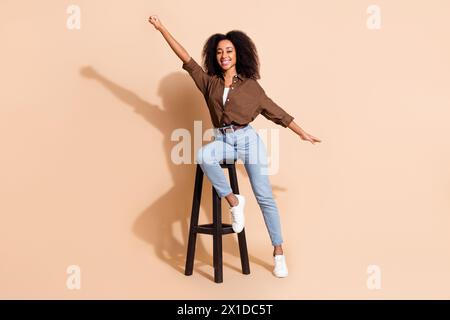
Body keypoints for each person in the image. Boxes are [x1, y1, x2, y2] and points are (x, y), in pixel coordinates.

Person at [148, 15, 321, 278]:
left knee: (264, 196)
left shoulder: (251, 87)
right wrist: (162, 29)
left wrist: (302, 133)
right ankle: (233, 200)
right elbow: (186, 58)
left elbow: (278, 113)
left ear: (239, 54)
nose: (224, 55)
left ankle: (278, 252)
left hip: (248, 140)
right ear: (214, 56)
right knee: (204, 155)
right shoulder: (209, 83)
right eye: (219, 52)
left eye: (229, 51)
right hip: (223, 140)